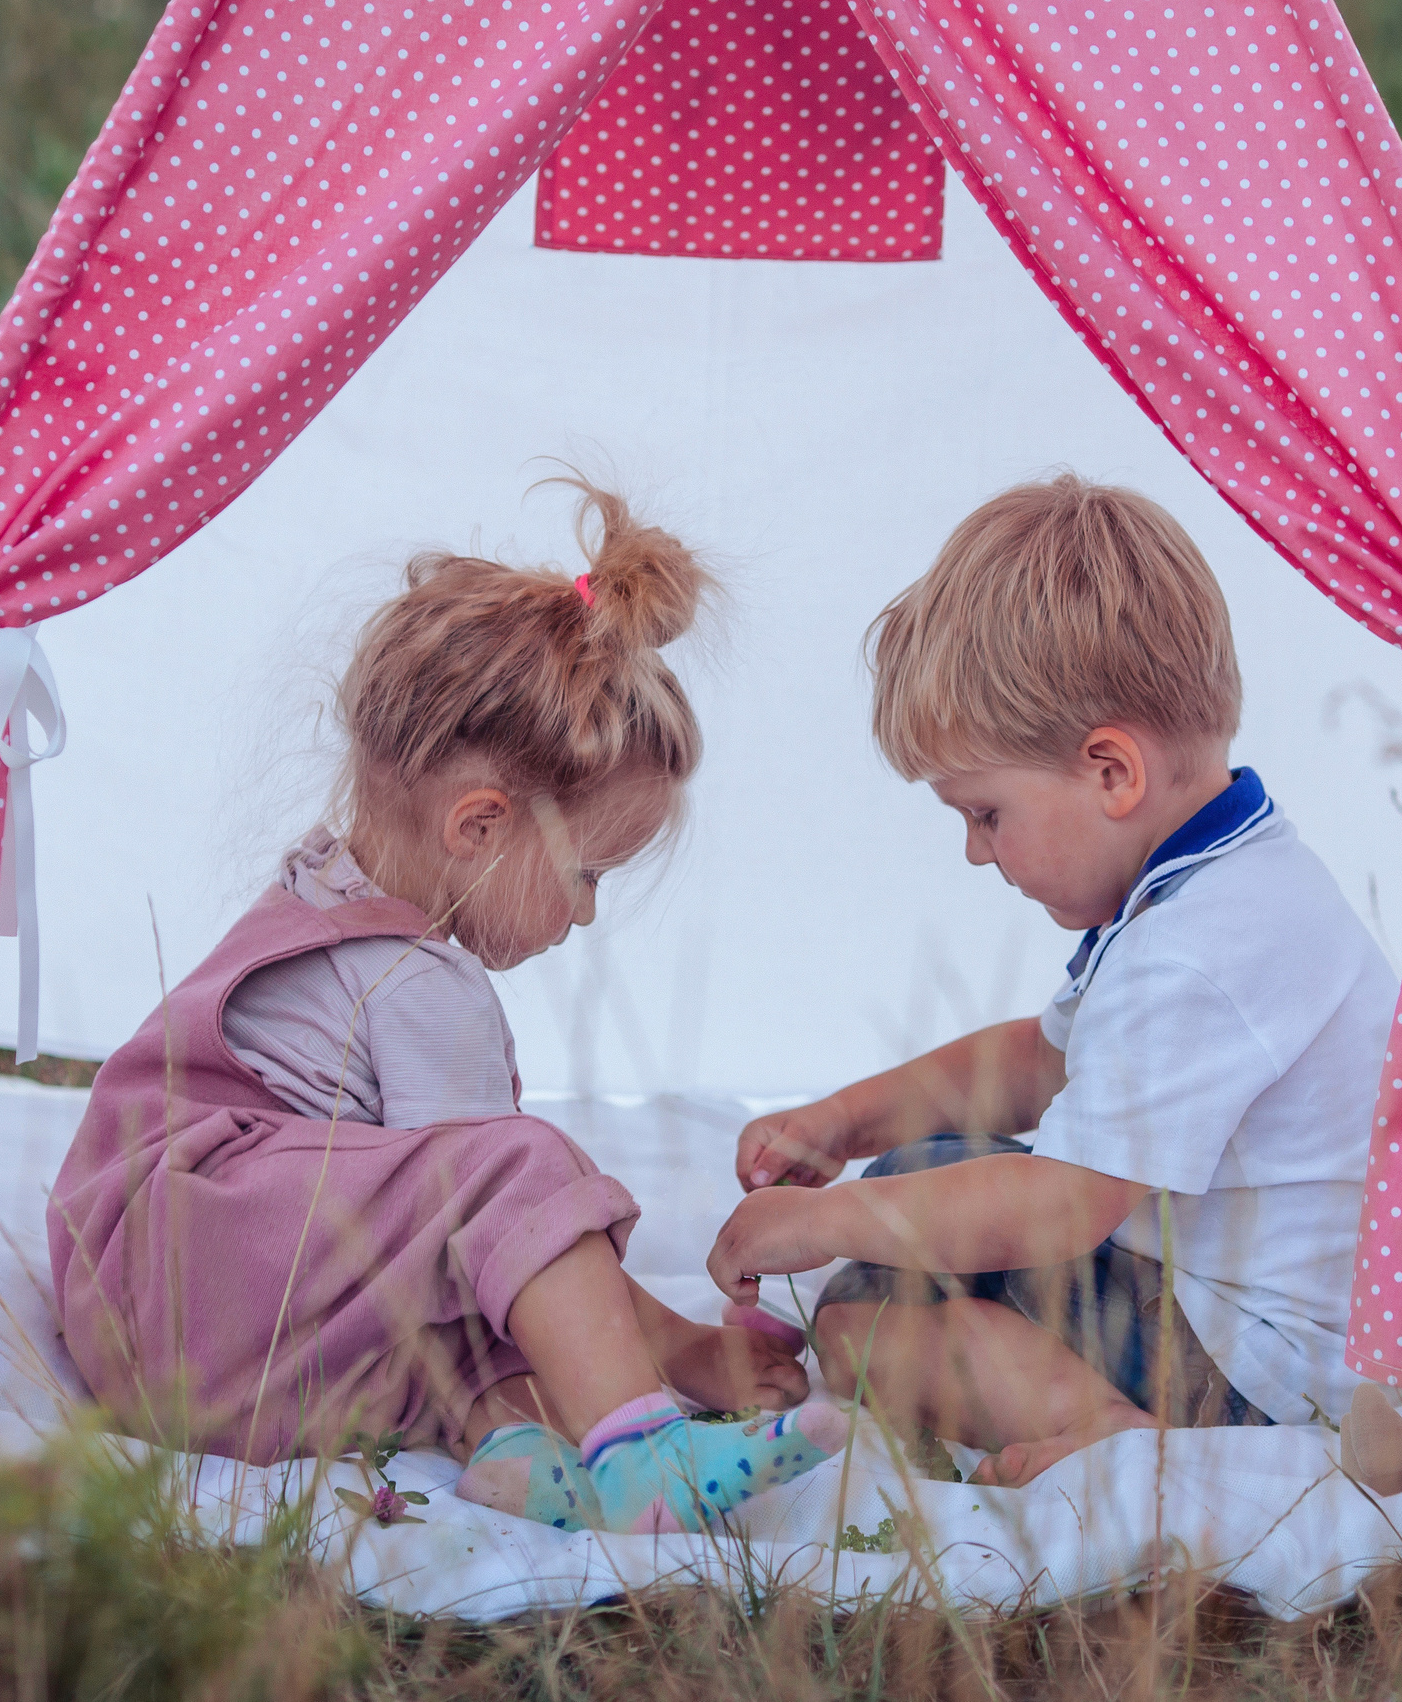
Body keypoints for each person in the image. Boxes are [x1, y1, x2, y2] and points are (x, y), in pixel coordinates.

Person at [48, 481, 844, 1534]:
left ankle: (510, 1445)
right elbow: (497, 1216)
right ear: (479, 826)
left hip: (151, 1321)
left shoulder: (317, 884)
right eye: (590, 874)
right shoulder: (420, 980)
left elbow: (431, 1256)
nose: (588, 916)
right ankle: (637, 1449)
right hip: (211, 1280)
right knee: (522, 1169)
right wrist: (684, 1348)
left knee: (457, 1297)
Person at [707, 475, 1394, 1487]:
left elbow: (1059, 1207)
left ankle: (1129, 1447)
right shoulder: (1219, 880)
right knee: (917, 1174)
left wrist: (814, 1221)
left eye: (986, 814)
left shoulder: (1194, 952)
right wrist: (849, 1124)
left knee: (863, 1328)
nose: (979, 856)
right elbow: (1044, 1059)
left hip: (1260, 1371)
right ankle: (1100, 1411)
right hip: (1237, 1313)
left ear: (1111, 773)